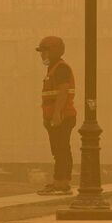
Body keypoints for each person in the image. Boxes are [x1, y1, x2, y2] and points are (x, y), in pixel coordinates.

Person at [36, 36, 77, 195]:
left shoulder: (60, 68)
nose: (42, 55)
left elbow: (62, 92)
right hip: (58, 116)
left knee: (60, 150)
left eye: (44, 51)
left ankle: (60, 183)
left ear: (54, 51)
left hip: (62, 116)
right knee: (60, 149)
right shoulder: (53, 68)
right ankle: (61, 182)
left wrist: (56, 115)